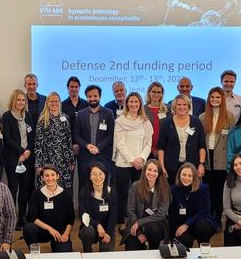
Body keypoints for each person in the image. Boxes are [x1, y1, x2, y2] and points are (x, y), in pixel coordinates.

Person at [113, 92, 153, 230]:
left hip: (141, 164)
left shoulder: (145, 121)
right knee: (122, 193)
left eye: (136, 102)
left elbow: (148, 143)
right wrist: (132, 160)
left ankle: (139, 221)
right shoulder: (120, 120)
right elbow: (120, 144)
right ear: (127, 103)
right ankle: (121, 222)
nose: (134, 104)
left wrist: (141, 158)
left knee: (140, 193)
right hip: (123, 163)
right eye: (131, 101)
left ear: (140, 103)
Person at [0, 89, 36, 230]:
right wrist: (21, 152)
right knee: (13, 189)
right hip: (12, 158)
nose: (20, 102)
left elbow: (32, 136)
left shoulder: (28, 115)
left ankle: (22, 218)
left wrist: (27, 152)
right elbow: (7, 139)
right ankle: (11, 219)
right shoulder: (7, 116)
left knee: (25, 190)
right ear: (13, 101)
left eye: (23, 100)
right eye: (18, 100)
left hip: (27, 158)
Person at [199, 87, 235, 224]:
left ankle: (218, 217)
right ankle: (208, 217)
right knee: (207, 189)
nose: (215, 100)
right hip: (207, 156)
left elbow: (231, 139)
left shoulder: (229, 116)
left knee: (219, 191)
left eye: (218, 97)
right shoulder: (203, 116)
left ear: (222, 99)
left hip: (222, 156)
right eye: (212, 97)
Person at [157, 94, 206, 185]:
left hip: (192, 166)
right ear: (174, 106)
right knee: (172, 194)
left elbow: (202, 145)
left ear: (188, 107)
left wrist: (201, 164)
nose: (182, 107)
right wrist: (162, 167)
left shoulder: (196, 122)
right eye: (179, 104)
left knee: (191, 194)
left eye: (184, 104)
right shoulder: (166, 123)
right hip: (171, 167)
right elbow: (161, 147)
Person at [23, 165, 74, 252]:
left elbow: (71, 218)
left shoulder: (66, 194)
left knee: (64, 253)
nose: (50, 178)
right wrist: (50, 229)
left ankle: (56, 246)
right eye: (46, 175)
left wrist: (66, 234)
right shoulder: (36, 194)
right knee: (29, 228)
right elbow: (32, 217)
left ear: (57, 176)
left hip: (60, 231)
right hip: (43, 230)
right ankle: (35, 253)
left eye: (53, 175)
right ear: (42, 178)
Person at [73, 85, 115, 189]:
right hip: (85, 157)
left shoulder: (108, 113)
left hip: (103, 156)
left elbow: (111, 134)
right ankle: (84, 206)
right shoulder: (81, 114)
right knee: (84, 186)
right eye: (89, 96)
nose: (92, 99)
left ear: (100, 96)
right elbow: (76, 135)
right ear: (86, 97)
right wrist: (87, 146)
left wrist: (98, 147)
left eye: (95, 96)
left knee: (103, 186)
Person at [123, 159, 170, 250]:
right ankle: (143, 245)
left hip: (156, 224)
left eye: (155, 171)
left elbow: (160, 214)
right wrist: (139, 232)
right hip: (135, 223)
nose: (151, 173)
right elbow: (130, 210)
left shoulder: (164, 188)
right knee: (131, 247)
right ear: (144, 171)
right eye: (149, 170)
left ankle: (153, 249)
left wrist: (139, 223)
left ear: (159, 173)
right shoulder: (135, 186)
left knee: (154, 229)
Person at [169, 163, 217, 247]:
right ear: (179, 175)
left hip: (199, 221)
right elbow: (172, 213)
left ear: (194, 177)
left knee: (203, 227)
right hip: (181, 223)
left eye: (189, 176)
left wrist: (187, 224)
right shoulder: (173, 190)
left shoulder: (203, 189)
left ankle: (204, 250)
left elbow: (204, 211)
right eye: (184, 174)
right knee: (184, 240)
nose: (186, 178)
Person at [34, 92, 75, 191]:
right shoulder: (42, 119)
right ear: (47, 103)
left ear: (60, 102)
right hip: (48, 160)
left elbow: (68, 140)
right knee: (48, 188)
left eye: (56, 101)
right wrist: (38, 164)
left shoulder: (65, 118)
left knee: (64, 189)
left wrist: (71, 160)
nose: (54, 103)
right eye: (51, 101)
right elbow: (38, 143)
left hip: (63, 160)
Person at [78, 163, 117, 252]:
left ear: (105, 175)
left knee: (105, 254)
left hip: (107, 228)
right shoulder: (84, 192)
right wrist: (97, 225)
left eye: (100, 174)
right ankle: (87, 252)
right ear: (89, 176)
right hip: (90, 227)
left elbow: (113, 216)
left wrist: (108, 232)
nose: (98, 177)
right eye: (94, 174)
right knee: (87, 231)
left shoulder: (111, 192)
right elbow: (83, 215)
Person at [144, 82, 169, 157]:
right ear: (149, 92)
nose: (156, 94)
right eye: (153, 92)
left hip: (164, 148)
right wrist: (151, 148)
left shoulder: (168, 109)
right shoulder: (143, 109)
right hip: (146, 148)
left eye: (159, 92)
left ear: (162, 94)